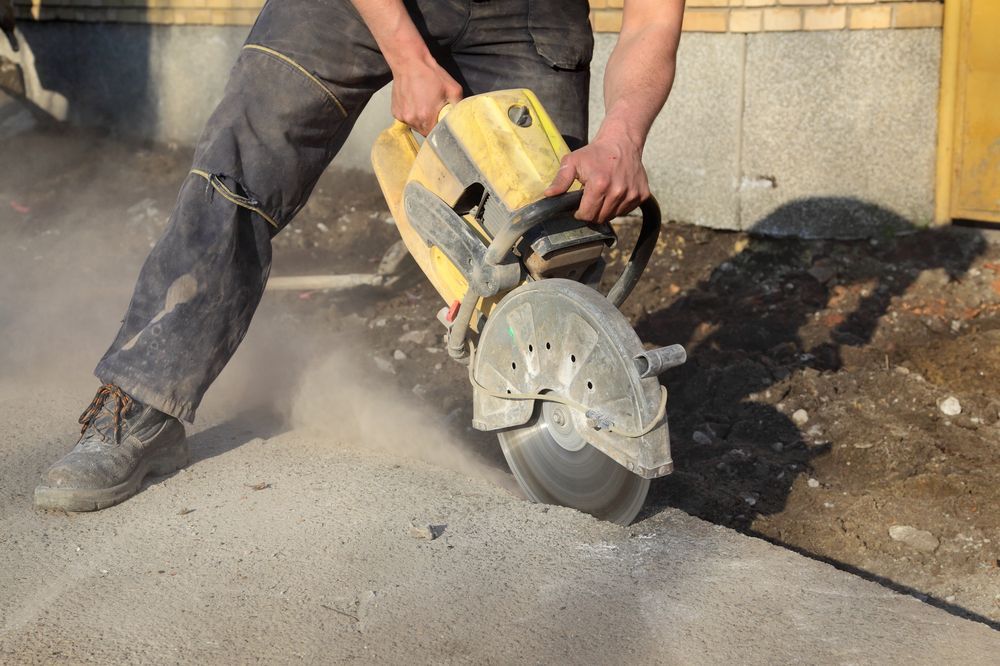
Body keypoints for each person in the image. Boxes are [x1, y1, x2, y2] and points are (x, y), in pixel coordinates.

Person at [33, 0, 685, 511]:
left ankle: (569, 432)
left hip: (528, 14)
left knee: (545, 225)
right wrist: (407, 55)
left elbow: (654, 14)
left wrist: (622, 137)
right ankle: (142, 402)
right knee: (241, 167)